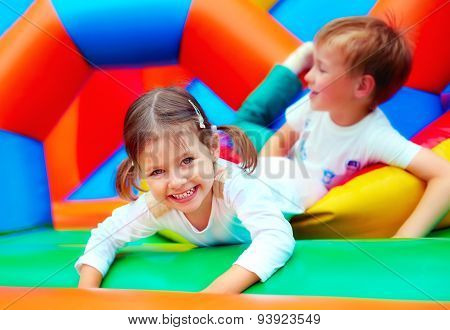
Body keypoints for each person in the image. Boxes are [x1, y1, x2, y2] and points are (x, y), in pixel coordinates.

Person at [235, 16, 450, 237]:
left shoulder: (375, 137)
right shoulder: (316, 101)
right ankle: (297, 61)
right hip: (285, 166)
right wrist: (259, 174)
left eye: (322, 69)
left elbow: (445, 176)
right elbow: (280, 142)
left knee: (242, 124)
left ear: (362, 86)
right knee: (242, 125)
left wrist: (406, 236)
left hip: (298, 182)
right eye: (314, 66)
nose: (308, 77)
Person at [75, 87, 295, 293]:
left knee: (261, 129)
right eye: (157, 171)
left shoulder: (234, 185)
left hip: (290, 179)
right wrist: (87, 297)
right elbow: (105, 237)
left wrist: (209, 298)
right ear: (140, 172)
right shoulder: (156, 205)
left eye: (187, 160)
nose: (177, 181)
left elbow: (276, 238)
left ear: (213, 147)